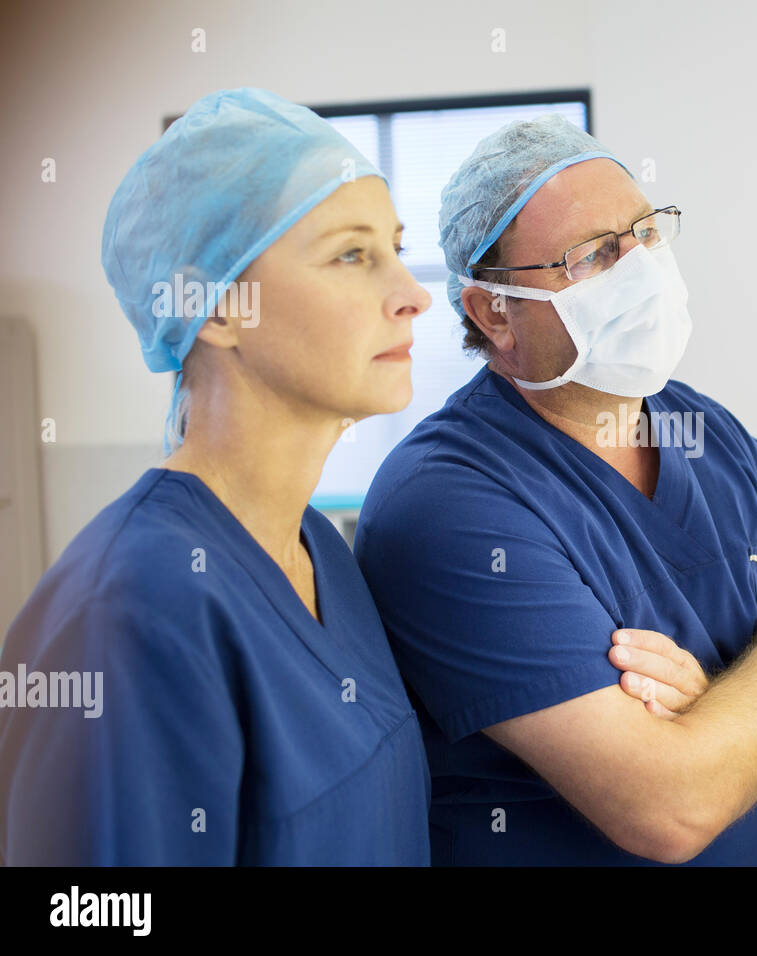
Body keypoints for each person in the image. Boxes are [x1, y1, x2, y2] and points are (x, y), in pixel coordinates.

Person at [354, 114, 757, 865]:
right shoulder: (447, 503)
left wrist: (718, 719)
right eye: (595, 255)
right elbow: (673, 806)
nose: (642, 270)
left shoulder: (705, 430)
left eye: (647, 232)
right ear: (493, 312)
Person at [0, 87, 434, 865]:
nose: (411, 295)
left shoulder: (321, 555)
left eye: (397, 249)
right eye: (352, 254)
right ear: (217, 307)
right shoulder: (131, 613)